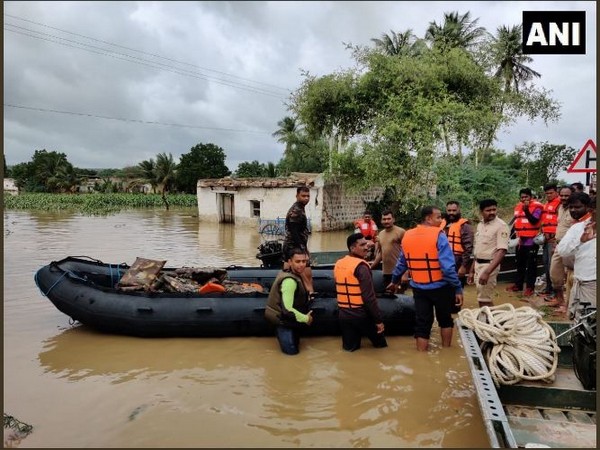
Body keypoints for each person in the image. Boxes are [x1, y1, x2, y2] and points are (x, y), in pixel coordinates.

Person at [386, 206, 463, 352]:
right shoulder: (439, 235)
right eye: (438, 217)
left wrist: (394, 281)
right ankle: (446, 353)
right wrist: (457, 288)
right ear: (428, 218)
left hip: (419, 289)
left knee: (422, 323)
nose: (441, 220)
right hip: (441, 287)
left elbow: (402, 263)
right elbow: (447, 268)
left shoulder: (407, 235)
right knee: (445, 320)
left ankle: (421, 355)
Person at [334, 232, 388, 352]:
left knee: (350, 350)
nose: (366, 247)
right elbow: (369, 297)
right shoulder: (362, 267)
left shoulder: (339, 264)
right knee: (381, 347)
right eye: (362, 245)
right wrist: (378, 321)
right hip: (361, 315)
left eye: (366, 244)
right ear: (352, 248)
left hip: (344, 315)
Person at [265, 247, 314, 355]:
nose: (301, 265)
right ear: (290, 262)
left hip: (291, 320)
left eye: (304, 261)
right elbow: (287, 310)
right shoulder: (289, 281)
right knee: (292, 353)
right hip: (283, 321)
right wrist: (306, 318)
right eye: (298, 261)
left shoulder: (295, 274)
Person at [556, 193, 595, 320]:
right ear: (591, 210)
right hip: (580, 282)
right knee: (579, 323)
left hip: (592, 283)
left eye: (577, 207)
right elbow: (562, 250)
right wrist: (580, 241)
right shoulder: (578, 228)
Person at [467, 199, 509, 307]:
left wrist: (487, 272)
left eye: (494, 209)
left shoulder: (501, 226)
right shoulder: (480, 225)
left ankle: (490, 322)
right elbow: (478, 250)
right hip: (478, 265)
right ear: (481, 211)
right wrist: (471, 271)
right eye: (488, 210)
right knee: (481, 297)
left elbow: (502, 251)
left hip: (489, 265)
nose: (492, 212)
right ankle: (488, 319)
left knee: (484, 299)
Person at [506, 188, 543, 297]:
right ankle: (518, 285)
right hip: (520, 241)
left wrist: (526, 210)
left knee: (531, 265)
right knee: (519, 264)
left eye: (526, 197)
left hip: (531, 241)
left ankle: (530, 288)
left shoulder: (537, 207)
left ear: (530, 197)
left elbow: (534, 221)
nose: (524, 199)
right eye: (522, 197)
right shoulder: (518, 207)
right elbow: (517, 222)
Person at [546, 186, 576, 309]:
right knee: (554, 273)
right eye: (562, 195)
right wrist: (555, 242)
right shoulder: (560, 208)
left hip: (571, 246)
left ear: (572, 195)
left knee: (571, 276)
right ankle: (559, 299)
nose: (563, 198)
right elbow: (560, 226)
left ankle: (569, 305)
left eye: (566, 195)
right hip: (559, 245)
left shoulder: (575, 210)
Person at [283, 186, 314, 295]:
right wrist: (302, 249)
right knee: (307, 275)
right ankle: (310, 296)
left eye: (308, 196)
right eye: (303, 196)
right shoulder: (296, 210)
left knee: (290, 273)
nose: (306, 198)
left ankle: (300, 294)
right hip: (294, 247)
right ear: (297, 196)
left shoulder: (300, 208)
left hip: (293, 246)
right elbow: (293, 231)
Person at [442, 201, 474, 309]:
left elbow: (468, 248)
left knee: (456, 286)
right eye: (449, 210)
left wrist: (464, 266)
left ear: (459, 210)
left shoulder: (465, 226)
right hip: (442, 260)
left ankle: (455, 309)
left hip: (457, 260)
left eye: (454, 210)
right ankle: (445, 308)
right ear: (446, 211)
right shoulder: (442, 224)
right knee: (443, 287)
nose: (451, 213)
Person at [369, 209, 406, 288]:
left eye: (389, 219)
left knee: (399, 296)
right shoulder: (381, 234)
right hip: (386, 272)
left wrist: (405, 273)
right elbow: (381, 254)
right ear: (381, 221)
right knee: (388, 295)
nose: (386, 221)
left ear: (393, 219)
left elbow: (408, 253)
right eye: (384, 219)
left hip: (398, 271)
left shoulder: (401, 232)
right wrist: (370, 267)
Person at [539, 183, 561, 297]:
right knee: (546, 263)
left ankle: (554, 291)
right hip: (545, 239)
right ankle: (548, 288)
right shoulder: (546, 204)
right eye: (546, 193)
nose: (548, 195)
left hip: (554, 240)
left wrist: (555, 237)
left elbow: (561, 223)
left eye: (551, 193)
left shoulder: (560, 204)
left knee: (553, 266)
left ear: (556, 192)